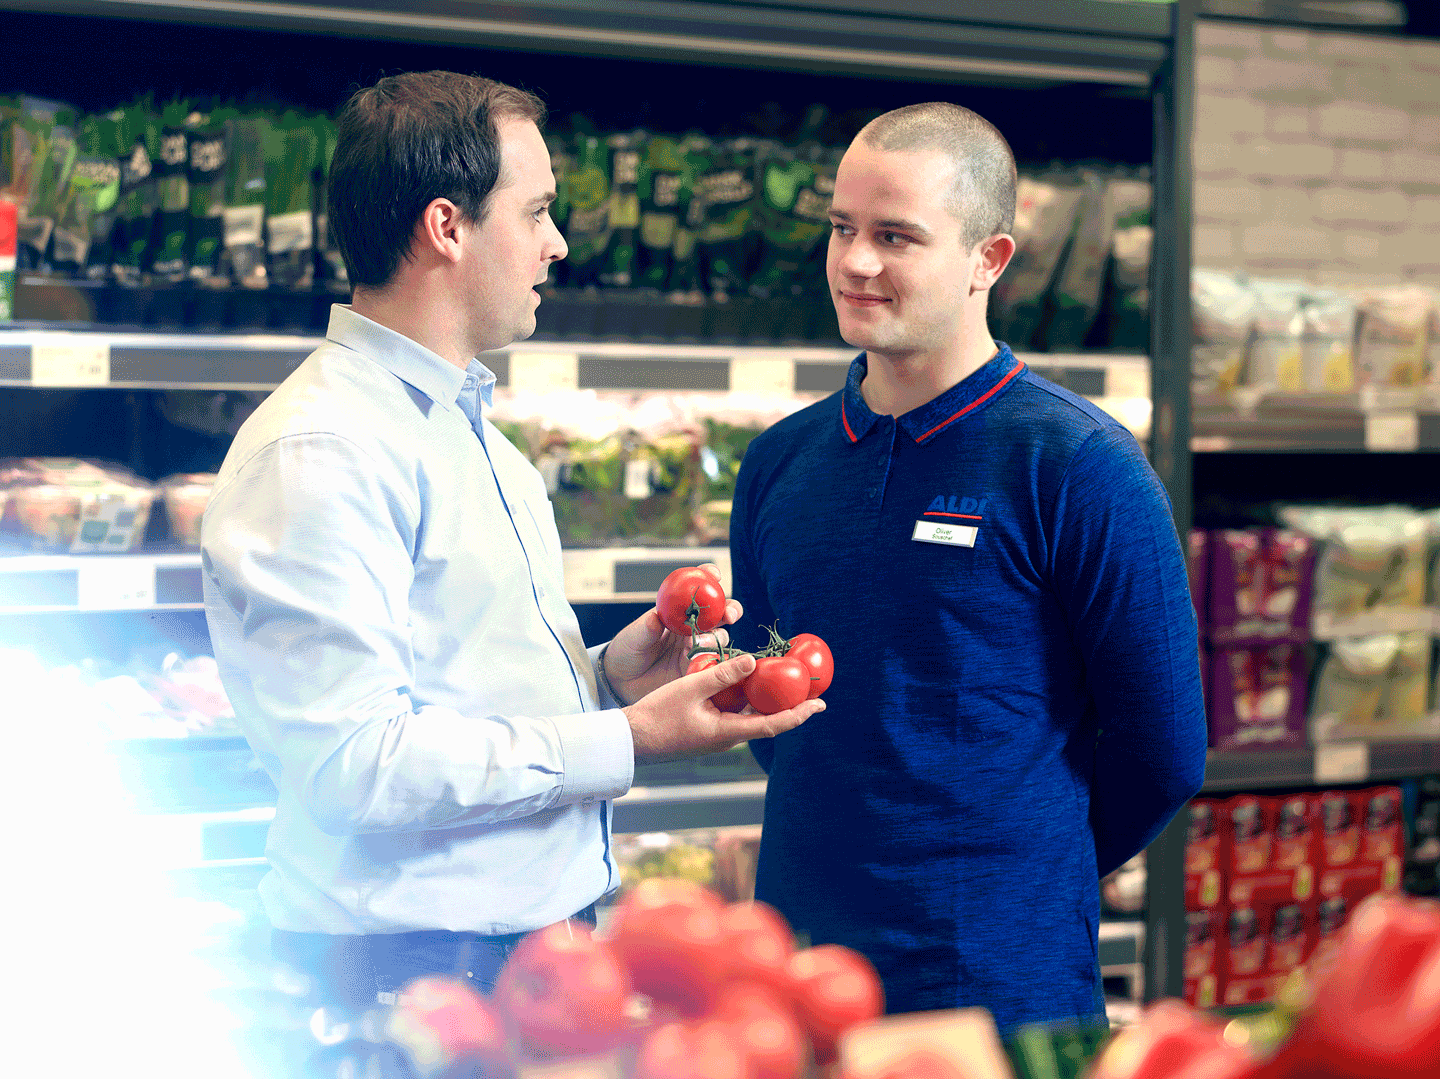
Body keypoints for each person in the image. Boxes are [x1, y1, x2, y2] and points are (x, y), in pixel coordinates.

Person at [200, 70, 822, 1015]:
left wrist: (612, 671)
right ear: (447, 227)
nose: (558, 242)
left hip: (524, 954)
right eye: (535, 213)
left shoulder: (472, 430)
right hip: (412, 974)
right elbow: (353, 765)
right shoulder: (324, 449)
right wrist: (623, 739)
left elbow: (465, 679)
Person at [728, 102, 1206, 1034]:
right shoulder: (779, 462)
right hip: (798, 976)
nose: (856, 262)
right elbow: (769, 701)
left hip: (1000, 985)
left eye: (896, 236)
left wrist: (1015, 862)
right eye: (842, 229)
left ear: (989, 259)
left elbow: (1164, 750)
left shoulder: (1079, 466)